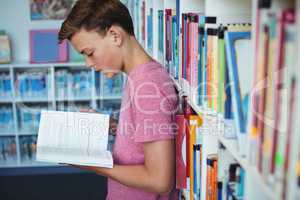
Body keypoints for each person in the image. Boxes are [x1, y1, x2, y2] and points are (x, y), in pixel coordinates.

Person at [58, 0, 179, 199]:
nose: (88, 63)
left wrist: (96, 166)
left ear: (115, 35)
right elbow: (146, 133)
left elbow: (160, 180)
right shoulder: (138, 77)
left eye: (89, 53)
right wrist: (113, 126)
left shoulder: (147, 86)